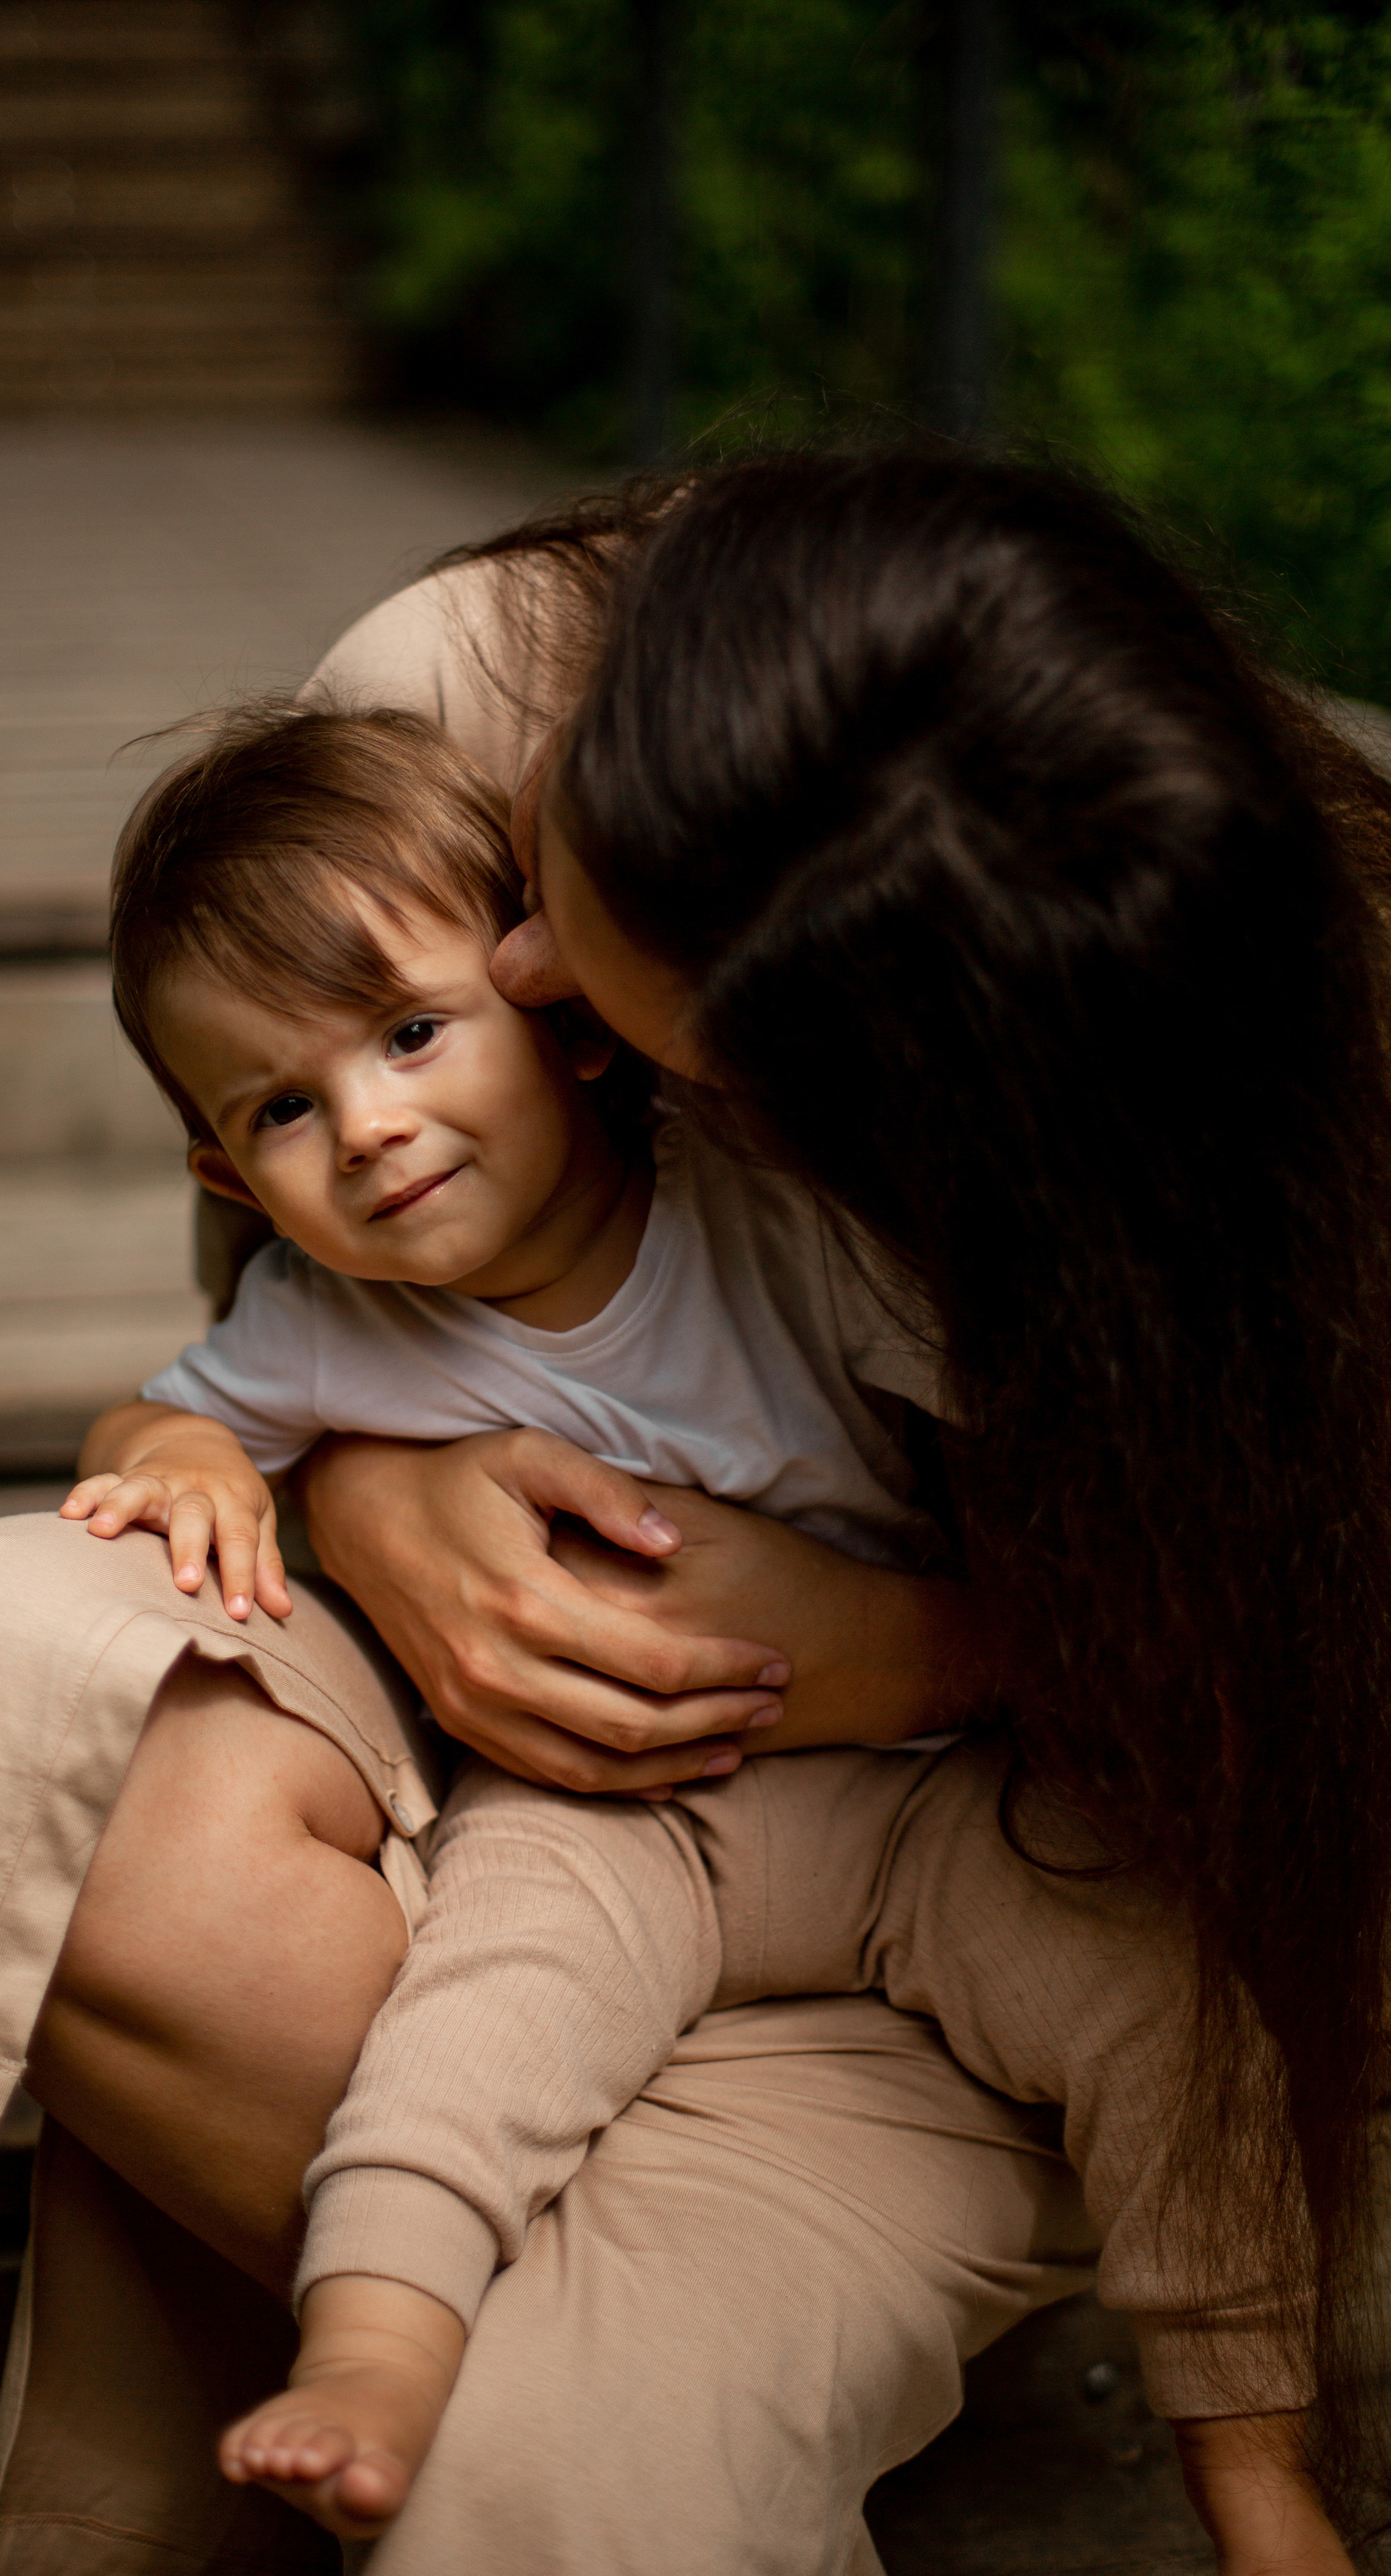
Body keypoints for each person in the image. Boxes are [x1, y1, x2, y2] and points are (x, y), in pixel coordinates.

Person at [0, 447, 1384, 2576]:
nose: (525, 972)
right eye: (535, 886)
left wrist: (928, 1651)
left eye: (533, 976)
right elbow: (268, 1313)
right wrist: (381, 1499)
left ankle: (605, 2356)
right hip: (558, 1858)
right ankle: (474, 2303)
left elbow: (1280, 1741)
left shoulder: (1176, 1151)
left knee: (532, 2500)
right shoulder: (474, 701)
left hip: (993, 1854)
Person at [66, 688, 1332, 2555]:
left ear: (563, 1022)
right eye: (282, 1109)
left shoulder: (765, 1212)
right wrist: (178, 1460)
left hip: (930, 1796)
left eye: (414, 1035)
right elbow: (164, 1413)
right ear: (222, 1179)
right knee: (479, 2015)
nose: (374, 1125)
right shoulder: (328, 1329)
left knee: (1168, 1985)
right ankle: (374, 2353)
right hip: (617, 1814)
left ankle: (1254, 2464)